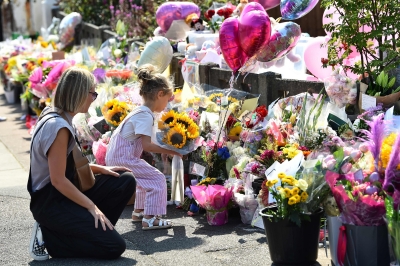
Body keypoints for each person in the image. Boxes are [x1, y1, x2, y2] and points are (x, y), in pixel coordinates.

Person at [28, 67, 136, 261]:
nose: (94, 97)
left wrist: (98, 167)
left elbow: (63, 165)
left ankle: (87, 233)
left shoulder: (55, 114)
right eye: (92, 93)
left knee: (125, 180)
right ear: (78, 92)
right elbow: (58, 180)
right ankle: (51, 237)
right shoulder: (58, 127)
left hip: (60, 194)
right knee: (114, 247)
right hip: (51, 202)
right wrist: (91, 206)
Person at [106, 64, 181, 230]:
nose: (167, 105)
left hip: (119, 156)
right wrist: (171, 151)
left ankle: (139, 212)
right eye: (167, 100)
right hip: (123, 158)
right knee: (157, 179)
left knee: (143, 180)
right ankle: (151, 218)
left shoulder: (140, 112)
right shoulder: (145, 115)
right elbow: (147, 145)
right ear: (160, 94)